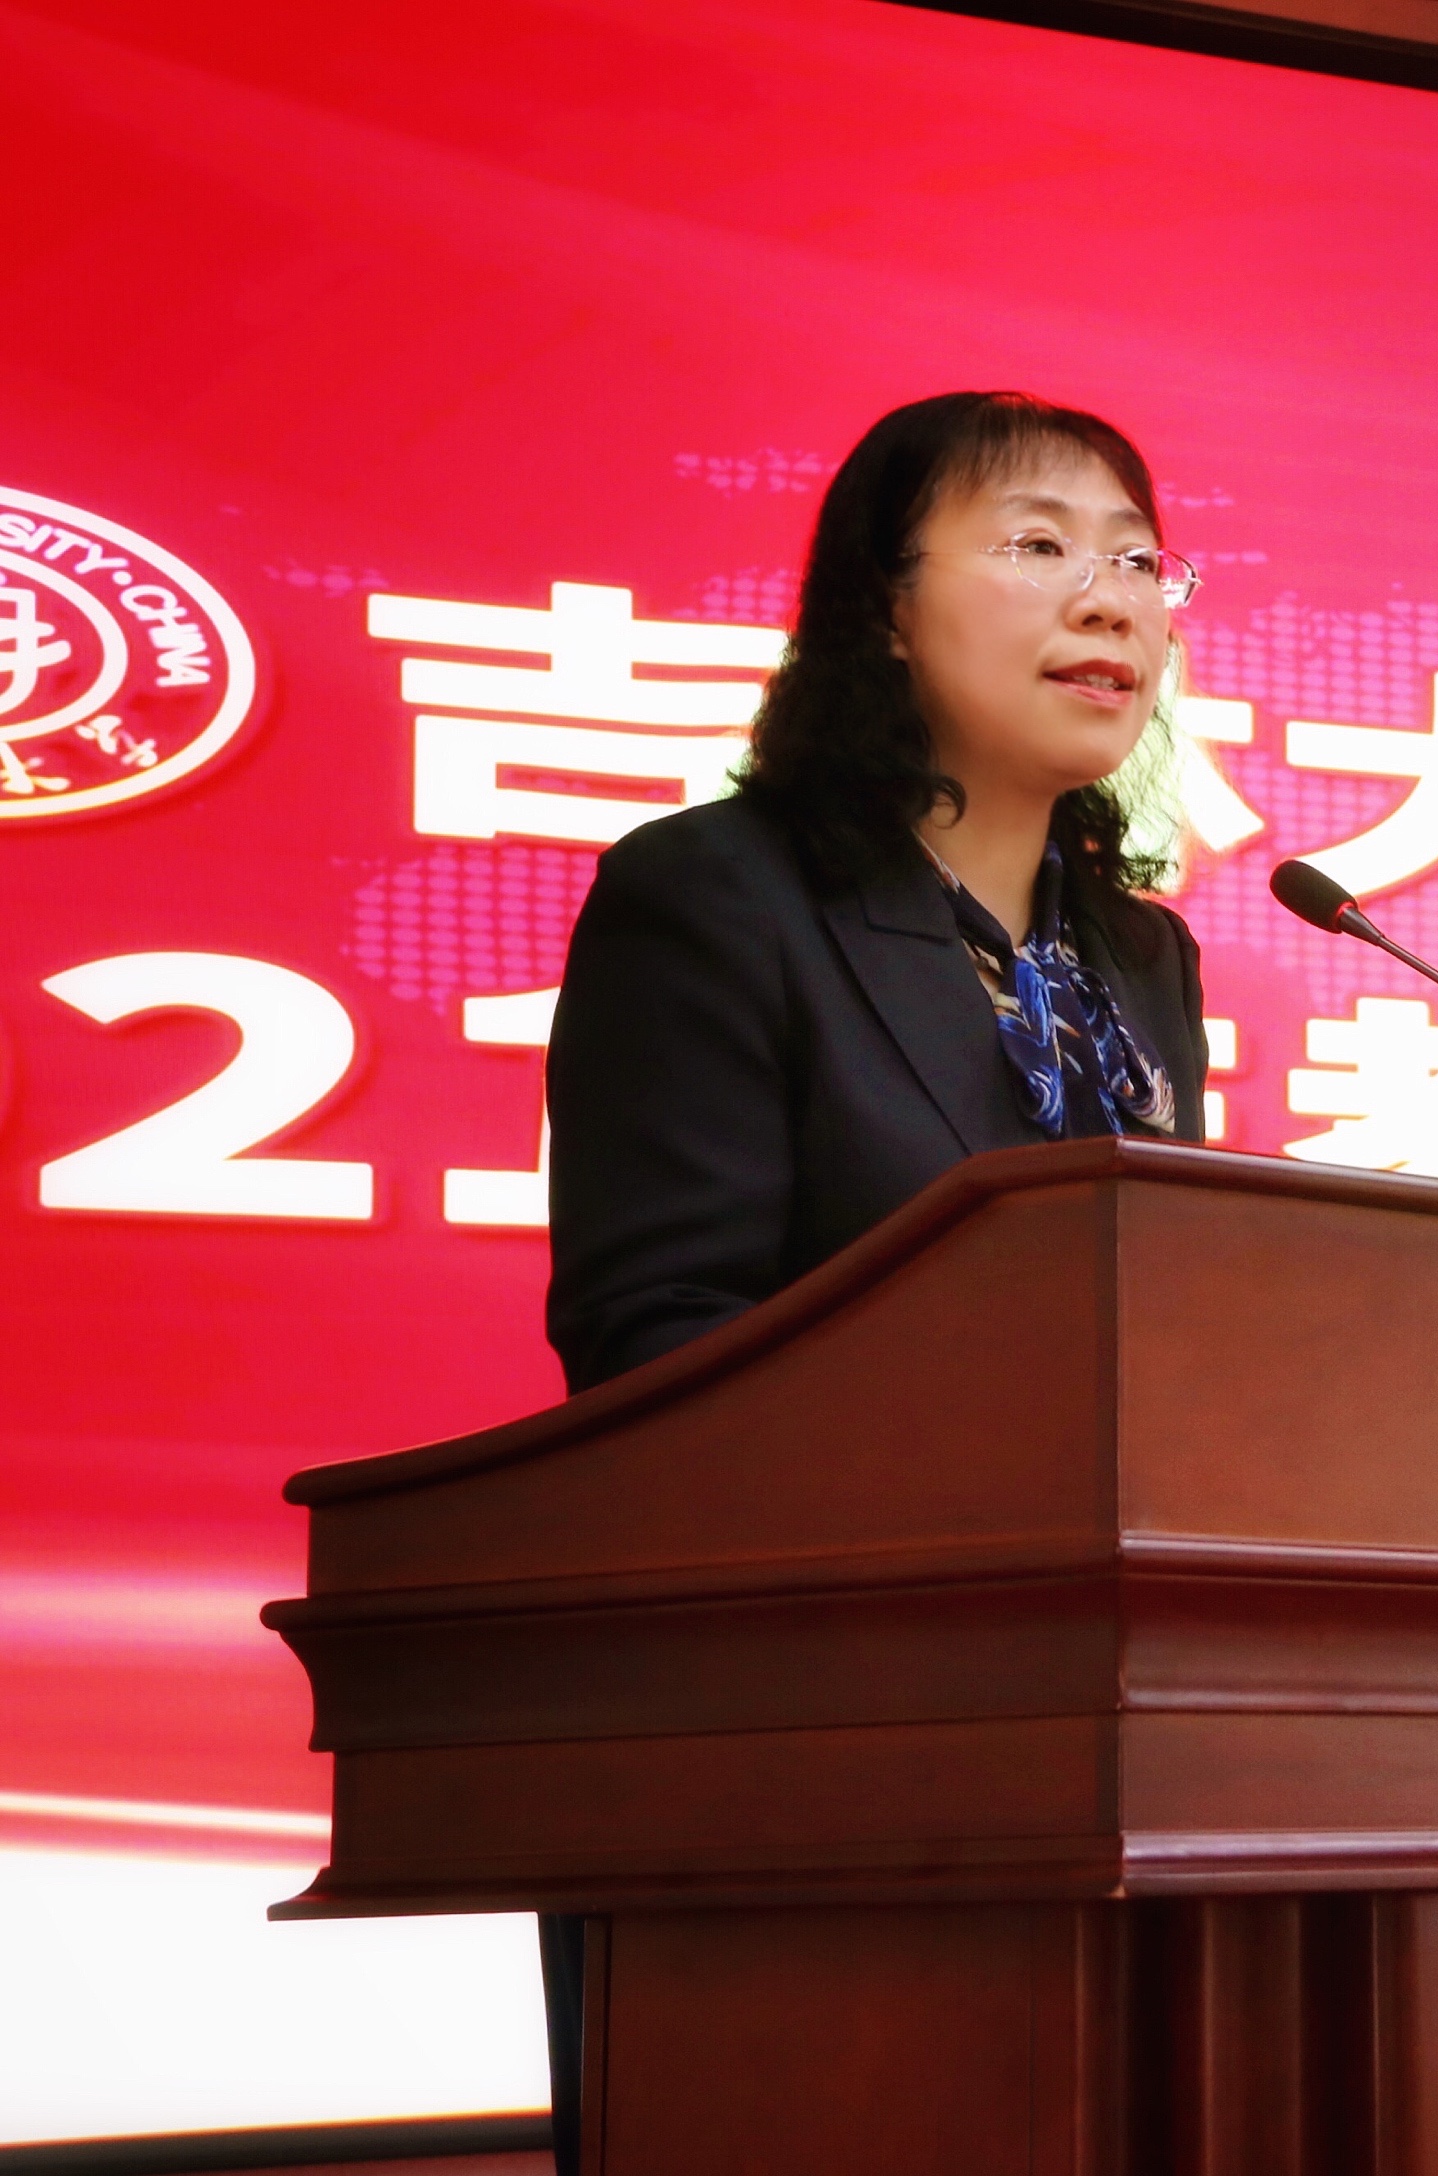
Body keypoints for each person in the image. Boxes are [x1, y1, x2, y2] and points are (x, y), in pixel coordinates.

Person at [532, 390, 1210, 2172]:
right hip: (799, 1735)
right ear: (883, 608)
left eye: (1140, 559)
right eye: (1039, 545)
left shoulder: (1136, 957)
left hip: (1110, 1747)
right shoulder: (718, 896)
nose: (1113, 597)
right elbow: (655, 1344)